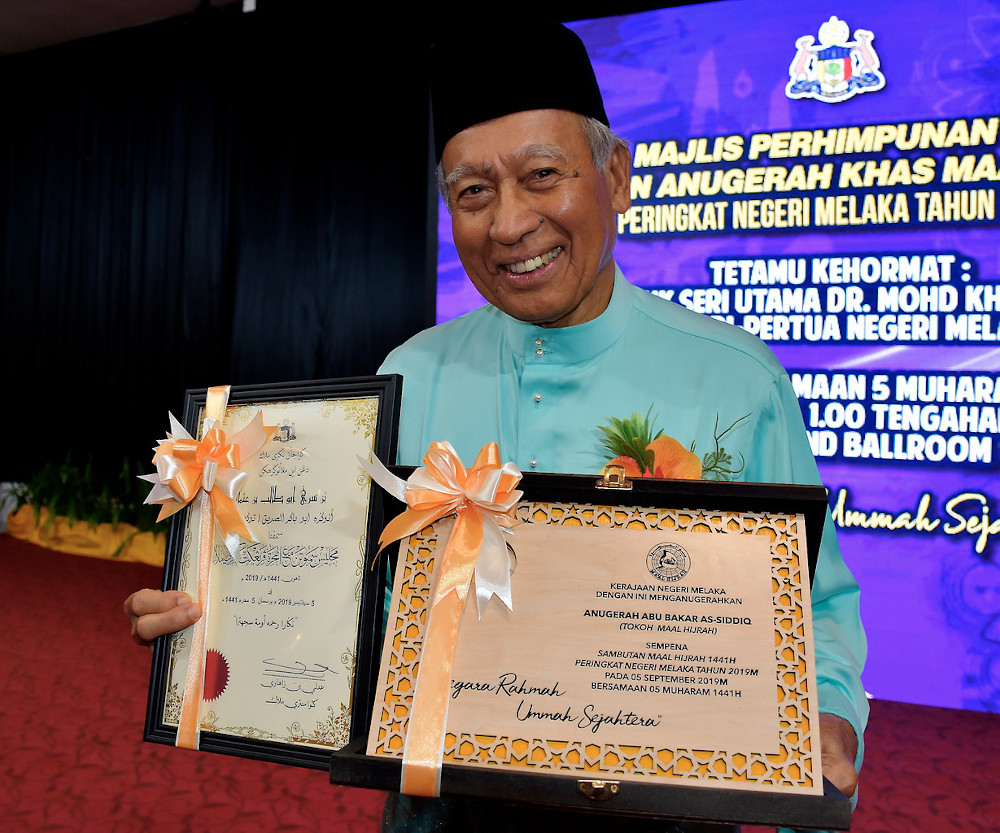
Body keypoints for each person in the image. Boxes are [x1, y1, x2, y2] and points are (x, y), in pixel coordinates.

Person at [125, 19, 867, 833]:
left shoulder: (734, 378)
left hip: (664, 808)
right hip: (441, 810)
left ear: (616, 176)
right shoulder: (409, 374)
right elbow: (343, 597)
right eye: (473, 192)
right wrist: (220, 612)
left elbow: (815, 602)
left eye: (543, 175)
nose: (509, 224)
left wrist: (828, 714)